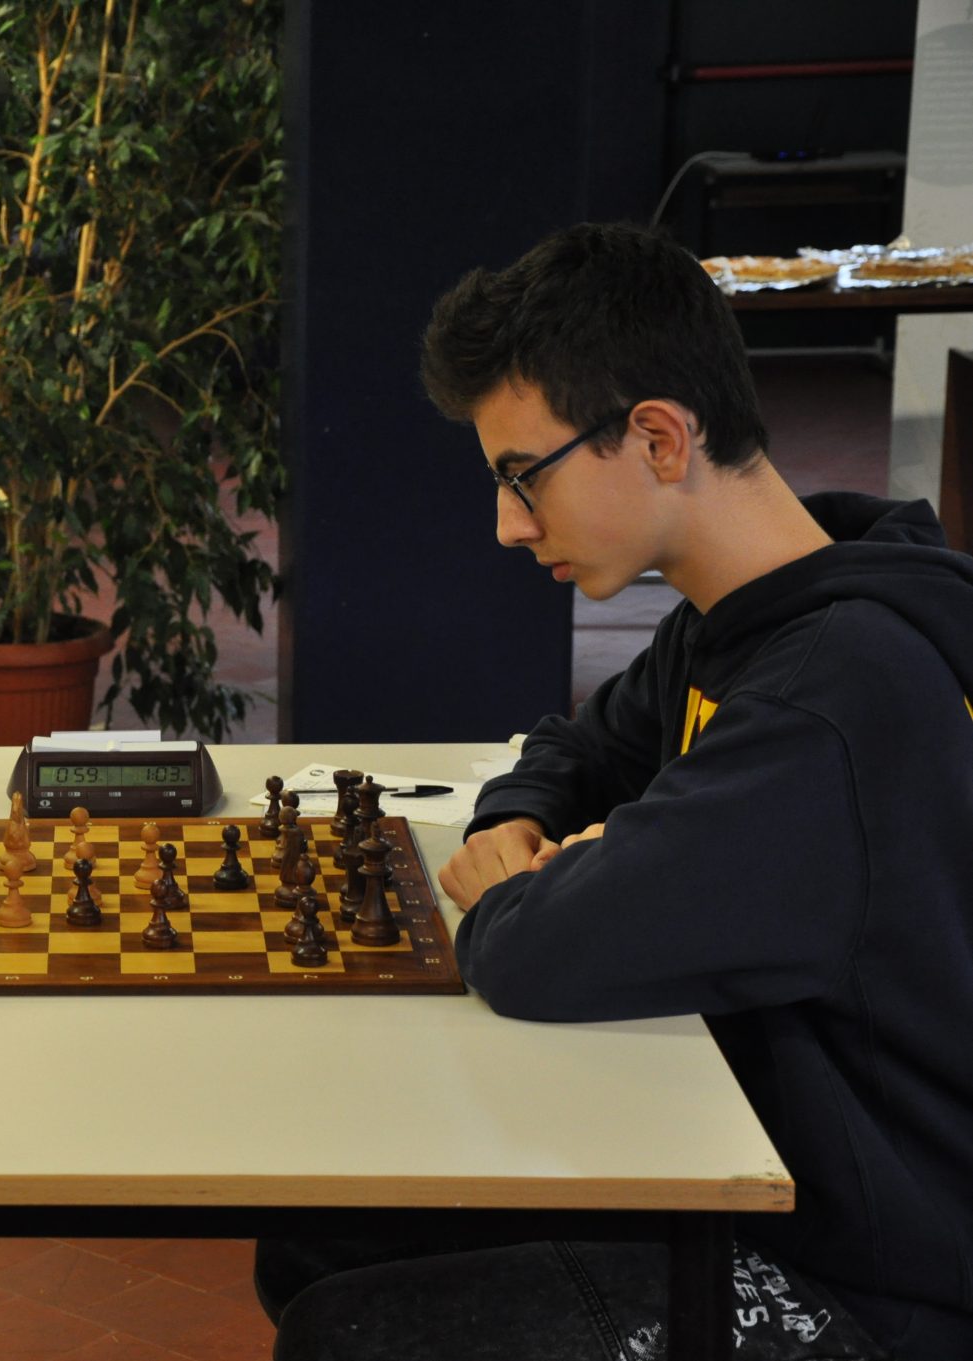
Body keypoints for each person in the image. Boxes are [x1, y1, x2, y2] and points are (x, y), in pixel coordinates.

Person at [256, 223, 973, 1360]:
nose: (506, 523)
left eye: (521, 475)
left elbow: (540, 951)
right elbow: (577, 746)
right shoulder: (742, 615)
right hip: (769, 1159)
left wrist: (508, 895)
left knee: (358, 1331)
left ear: (657, 437)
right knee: (321, 1233)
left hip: (874, 1284)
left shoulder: (833, 697)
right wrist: (511, 824)